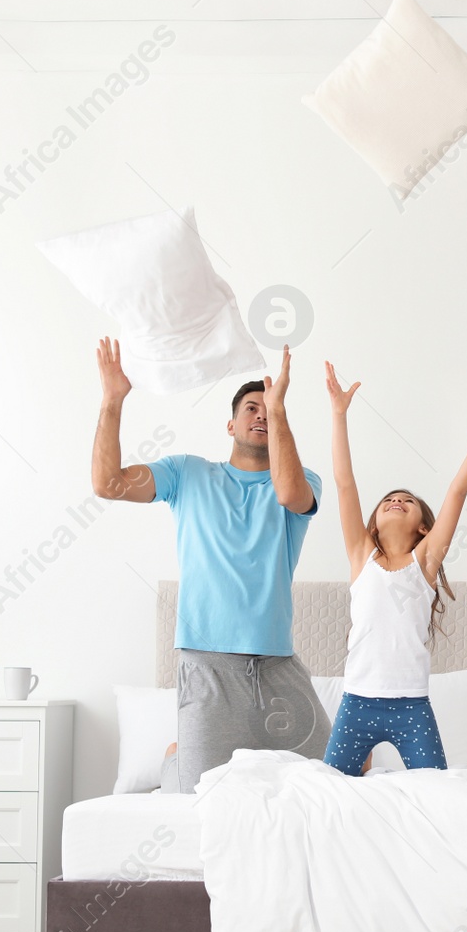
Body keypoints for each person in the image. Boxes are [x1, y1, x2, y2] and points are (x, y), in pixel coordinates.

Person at [91, 337, 329, 792]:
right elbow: (108, 484)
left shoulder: (303, 481)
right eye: (251, 409)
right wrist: (112, 400)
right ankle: (173, 761)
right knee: (200, 795)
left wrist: (279, 412)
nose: (261, 414)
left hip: (277, 667)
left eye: (269, 409)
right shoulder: (187, 473)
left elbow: (288, 493)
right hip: (206, 666)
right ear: (230, 424)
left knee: (341, 772)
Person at [319, 361, 467, 776]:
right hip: (356, 703)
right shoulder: (360, 555)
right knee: (330, 791)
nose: (397, 501)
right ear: (372, 522)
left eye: (407, 501)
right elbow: (344, 483)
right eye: (389, 499)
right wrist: (339, 415)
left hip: (411, 706)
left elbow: (458, 490)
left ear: (424, 527)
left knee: (438, 795)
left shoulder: (425, 562)